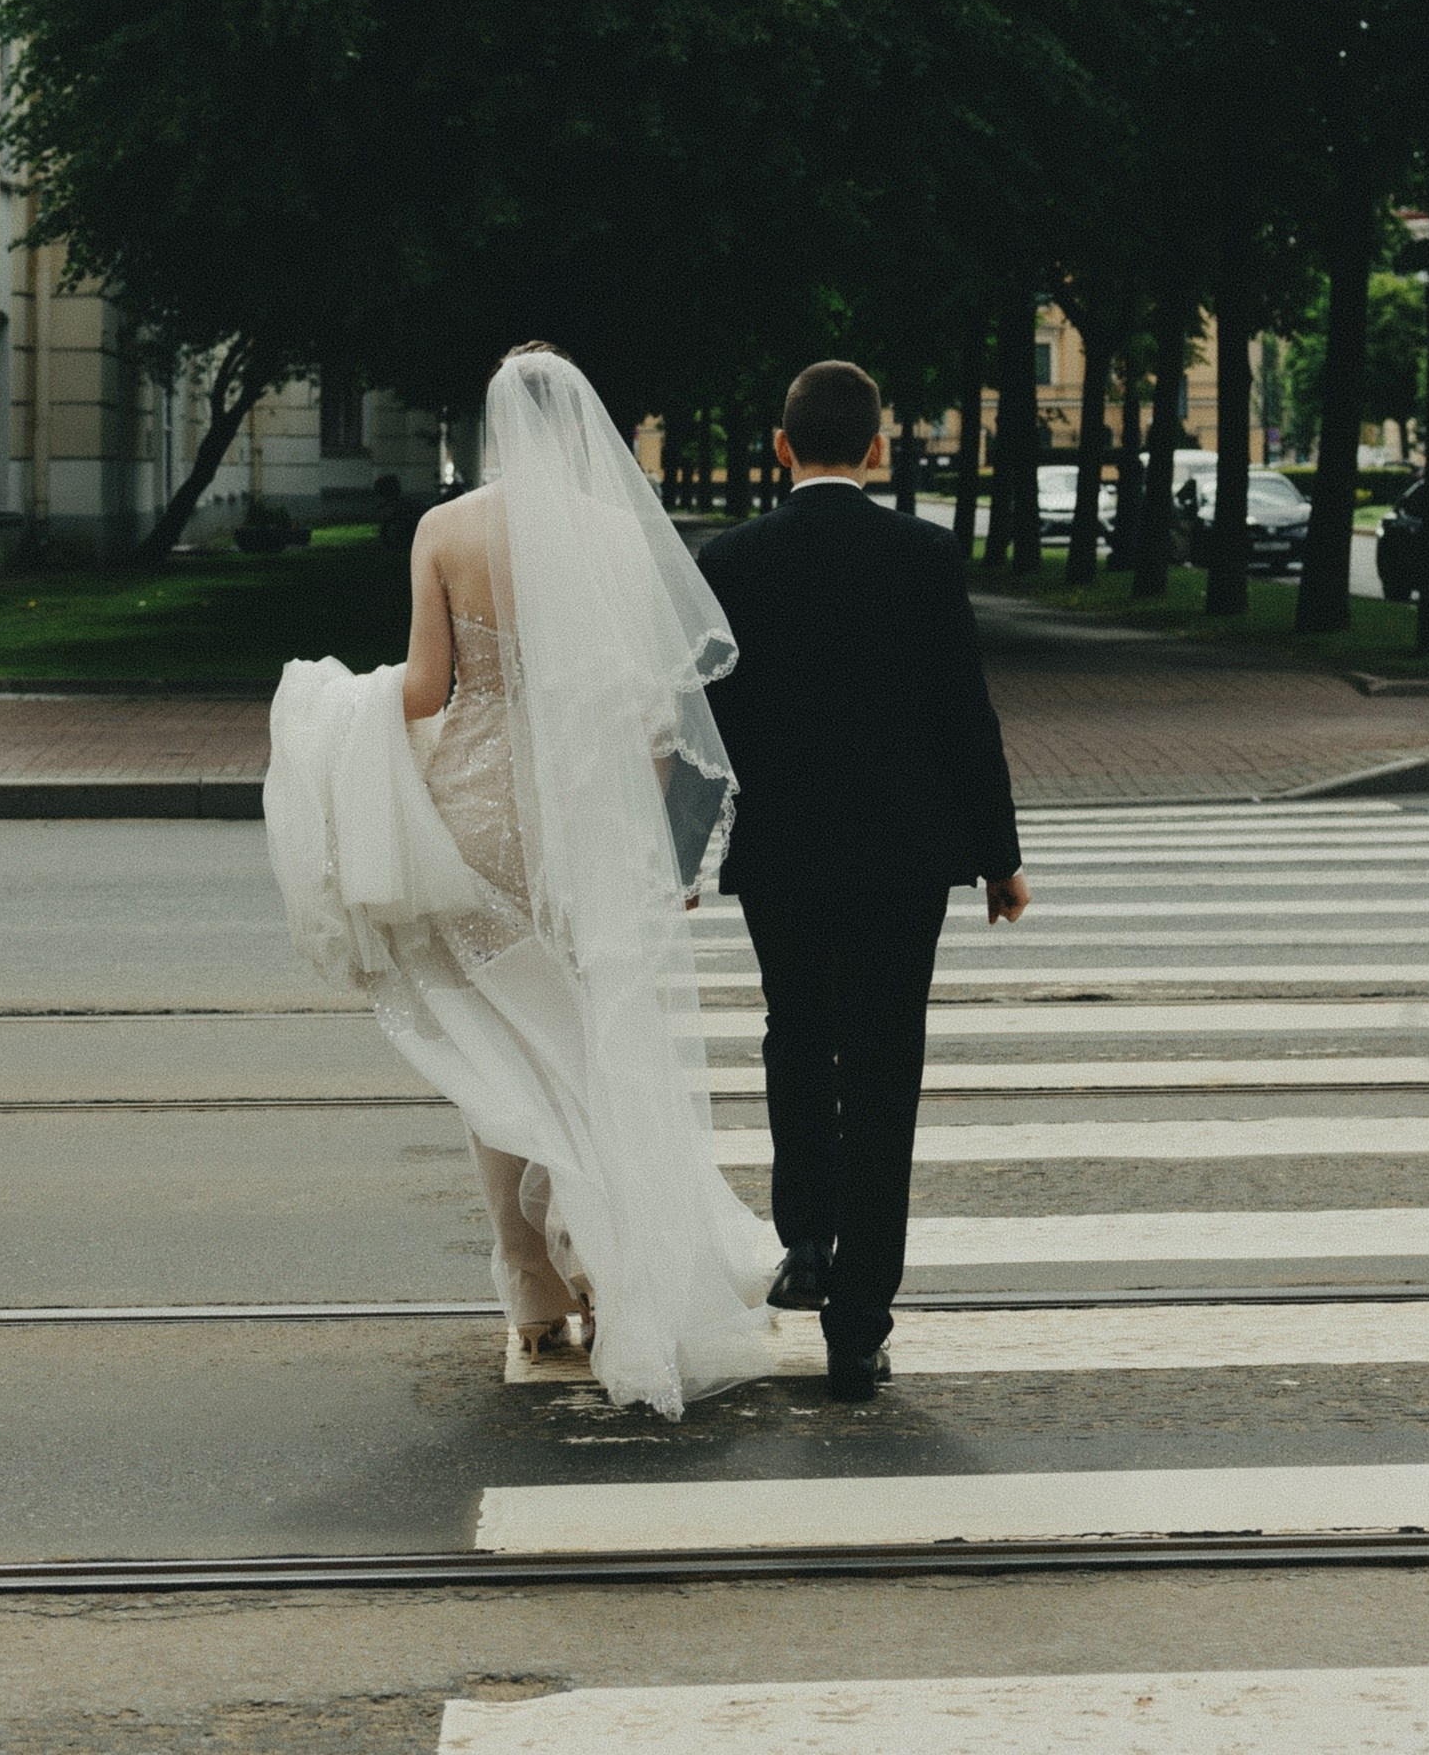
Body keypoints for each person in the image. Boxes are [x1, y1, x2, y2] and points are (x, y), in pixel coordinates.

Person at [265, 344, 774, 1417]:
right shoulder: (614, 542)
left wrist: (331, 708)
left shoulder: (446, 531)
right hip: (582, 820)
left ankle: (530, 1288)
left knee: (497, 1051)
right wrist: (656, 848)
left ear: (496, 426)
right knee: (591, 1047)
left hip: (476, 817)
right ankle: (606, 1269)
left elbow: (427, 687)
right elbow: (654, 717)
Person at [698, 358, 1028, 1402]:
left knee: (794, 1034)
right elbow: (962, 716)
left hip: (781, 856)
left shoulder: (730, 560)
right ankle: (859, 1324)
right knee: (884, 1070)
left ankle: (803, 1238)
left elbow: (702, 724)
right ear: (878, 449)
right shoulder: (923, 557)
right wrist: (998, 856)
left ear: (780, 449)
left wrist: (681, 853)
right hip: (902, 854)